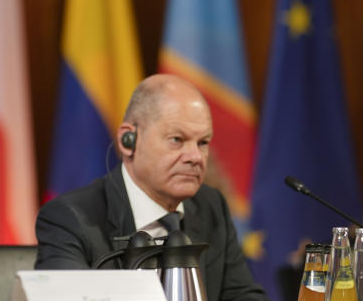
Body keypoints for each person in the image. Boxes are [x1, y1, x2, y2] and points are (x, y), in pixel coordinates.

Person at [35, 74, 267, 301]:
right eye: (177, 139)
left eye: (203, 142)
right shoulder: (70, 218)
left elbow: (244, 295)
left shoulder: (210, 207)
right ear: (129, 140)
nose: (195, 156)